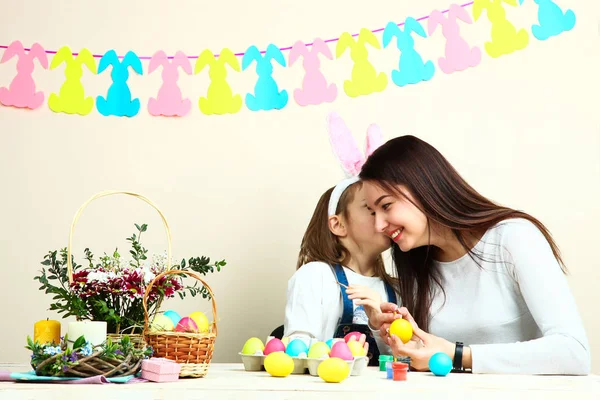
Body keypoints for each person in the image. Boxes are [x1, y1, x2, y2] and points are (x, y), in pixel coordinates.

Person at [352, 134, 591, 375]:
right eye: (372, 212)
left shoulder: (513, 238)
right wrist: (396, 337)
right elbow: (432, 360)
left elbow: (574, 352)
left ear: (422, 188)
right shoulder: (417, 262)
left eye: (386, 206)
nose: (378, 226)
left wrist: (458, 355)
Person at [283, 177, 399, 366]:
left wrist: (378, 329)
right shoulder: (314, 276)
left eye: (385, 208)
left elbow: (403, 360)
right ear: (338, 225)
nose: (384, 219)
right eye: (371, 210)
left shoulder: (397, 289)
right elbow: (296, 349)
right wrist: (339, 349)